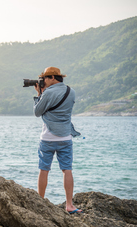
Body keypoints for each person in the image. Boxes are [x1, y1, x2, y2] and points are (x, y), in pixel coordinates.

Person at [33, 66, 82, 214]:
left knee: (44, 169)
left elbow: (37, 112)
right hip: (65, 137)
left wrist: (39, 94)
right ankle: (69, 205)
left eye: (45, 79)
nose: (43, 81)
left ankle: (40, 202)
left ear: (53, 78)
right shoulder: (71, 92)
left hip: (47, 137)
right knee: (67, 170)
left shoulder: (47, 92)